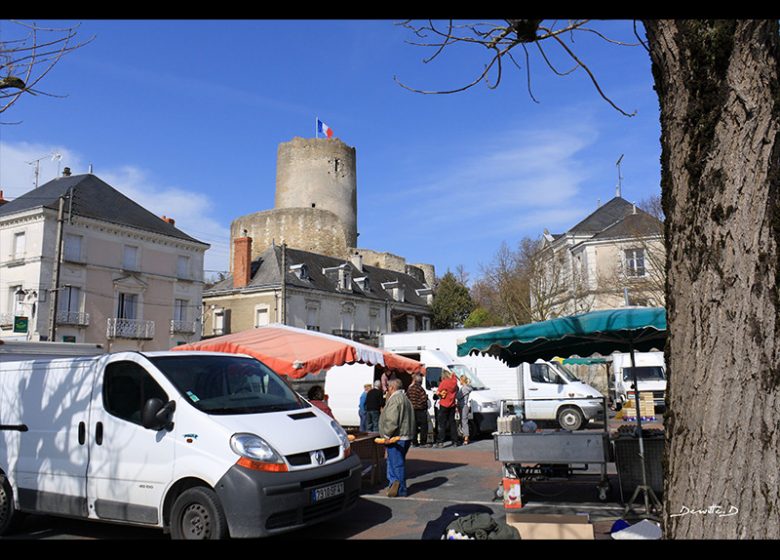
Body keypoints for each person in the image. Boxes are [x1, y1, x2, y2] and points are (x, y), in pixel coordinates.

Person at [378, 377, 415, 497]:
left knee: (396, 463)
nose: (387, 389)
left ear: (392, 387)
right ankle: (394, 485)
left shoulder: (395, 399)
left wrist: (387, 434)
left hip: (397, 436)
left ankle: (400, 489)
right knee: (394, 462)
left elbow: (392, 420)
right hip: (406, 435)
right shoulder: (405, 398)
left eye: (388, 387)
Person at [435, 370, 459, 448]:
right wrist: (453, 374)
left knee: (442, 424)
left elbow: (438, 392)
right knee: (453, 423)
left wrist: (440, 394)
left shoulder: (444, 382)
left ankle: (440, 441)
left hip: (444, 404)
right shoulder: (454, 382)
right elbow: (454, 376)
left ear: (443, 376)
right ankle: (455, 441)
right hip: (452, 404)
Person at [406, 374, 429, 447]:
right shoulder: (420, 389)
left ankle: (414, 442)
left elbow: (407, 398)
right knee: (424, 426)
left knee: (414, 426)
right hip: (420, 410)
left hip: (412, 410)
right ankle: (423, 442)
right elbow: (424, 399)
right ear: (421, 381)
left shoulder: (410, 388)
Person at [457, 375, 474, 445]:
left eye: (460, 380)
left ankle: (466, 438)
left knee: (464, 421)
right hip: (464, 406)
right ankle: (465, 437)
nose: (459, 381)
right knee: (463, 421)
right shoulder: (466, 387)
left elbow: (458, 396)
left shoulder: (464, 388)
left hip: (463, 406)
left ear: (462, 380)